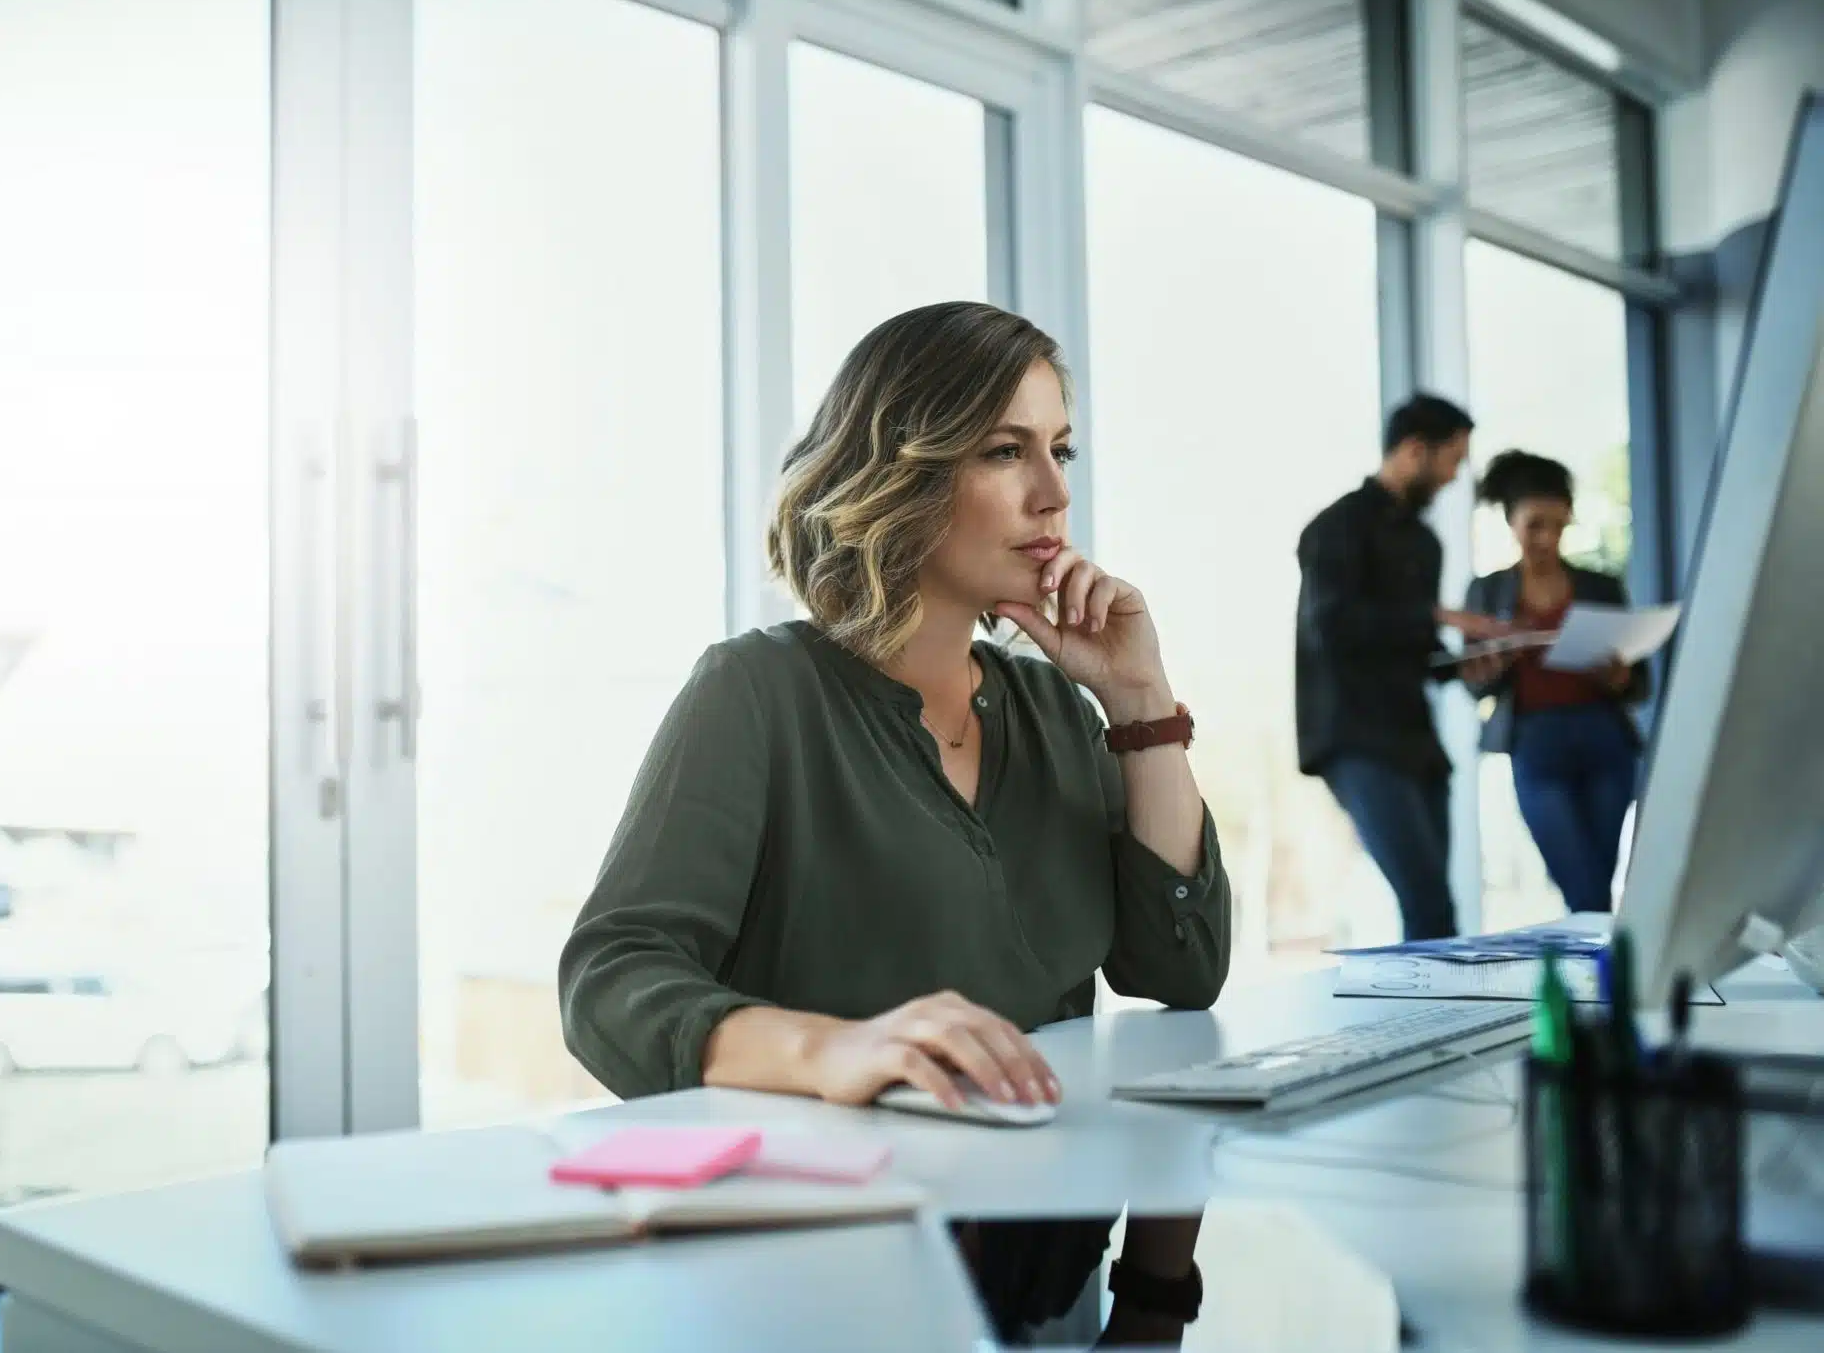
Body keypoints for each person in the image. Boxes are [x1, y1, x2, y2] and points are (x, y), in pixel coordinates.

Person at [559, 301, 1230, 1111]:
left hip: (1058, 1211)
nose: (1053, 493)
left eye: (1061, 450)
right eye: (1004, 451)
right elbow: (611, 979)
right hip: (847, 1214)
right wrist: (826, 1048)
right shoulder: (757, 693)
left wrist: (1139, 700)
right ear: (900, 473)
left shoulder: (1055, 709)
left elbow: (1184, 970)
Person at [1295, 394, 1510, 941]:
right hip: (1355, 739)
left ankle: (1439, 1023)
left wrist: (1465, 666)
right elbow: (1333, 628)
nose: (1455, 475)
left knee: (1437, 911)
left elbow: (1414, 653)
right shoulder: (1335, 527)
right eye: (1452, 460)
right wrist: (1435, 613)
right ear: (1415, 450)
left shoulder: (1425, 542)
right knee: (1428, 900)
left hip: (1416, 739)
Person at [1463, 450, 1649, 913]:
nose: (1547, 538)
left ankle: (1601, 977)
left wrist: (1620, 676)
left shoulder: (1600, 587)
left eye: (1559, 526)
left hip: (1605, 740)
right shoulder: (1486, 592)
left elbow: (1640, 684)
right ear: (1512, 522)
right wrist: (1497, 663)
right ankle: (1607, 975)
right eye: (1535, 525)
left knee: (1599, 883)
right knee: (1580, 884)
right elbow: (1474, 686)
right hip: (1535, 743)